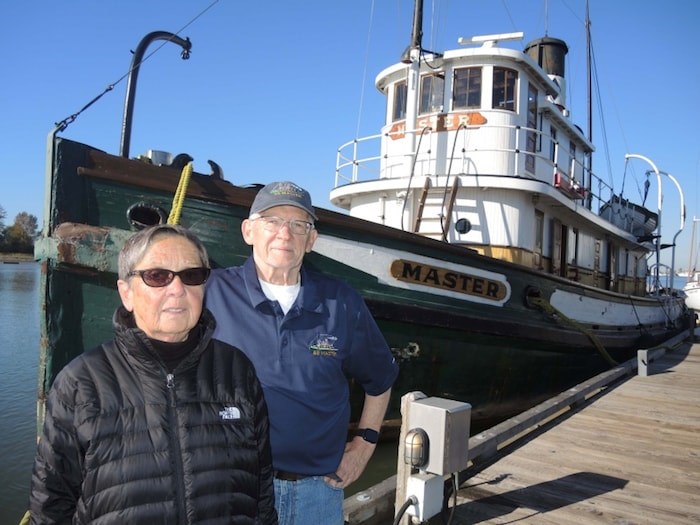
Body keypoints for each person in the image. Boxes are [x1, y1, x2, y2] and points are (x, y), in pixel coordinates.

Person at [28, 224, 277, 525]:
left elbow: (261, 491)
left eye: (191, 275)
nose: (177, 289)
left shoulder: (237, 371)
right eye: (157, 276)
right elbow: (52, 505)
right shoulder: (80, 383)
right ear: (127, 293)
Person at [205, 181, 399, 524]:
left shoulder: (341, 301)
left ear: (311, 241)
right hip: (233, 491)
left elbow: (380, 379)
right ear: (248, 231)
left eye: (299, 224)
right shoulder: (211, 293)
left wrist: (366, 442)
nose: (285, 233)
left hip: (318, 494)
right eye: (272, 221)